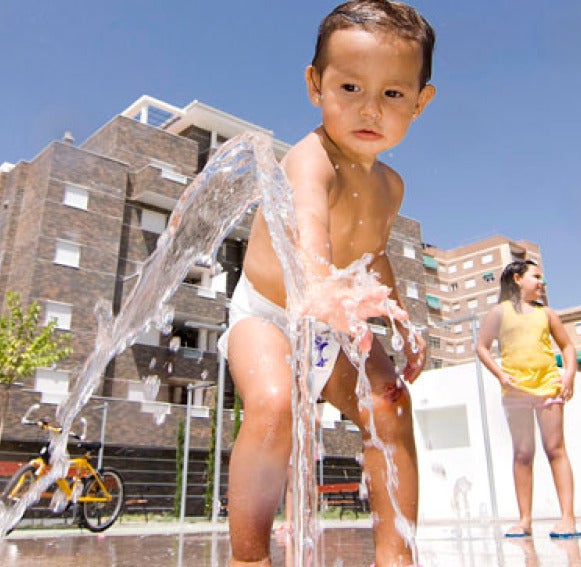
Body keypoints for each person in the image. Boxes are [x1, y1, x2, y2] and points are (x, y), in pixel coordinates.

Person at [218, 2, 436, 565]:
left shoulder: (392, 186)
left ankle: (397, 554)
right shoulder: (309, 160)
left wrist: (401, 318)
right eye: (349, 86)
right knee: (272, 403)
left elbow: (375, 256)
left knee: (390, 403)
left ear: (420, 102)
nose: (370, 108)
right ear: (315, 85)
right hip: (266, 315)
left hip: (331, 324)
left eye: (392, 94)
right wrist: (320, 286)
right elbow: (310, 224)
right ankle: (249, 556)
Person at [475, 260, 581, 539]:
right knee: (523, 454)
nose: (541, 283)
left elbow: (567, 346)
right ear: (517, 279)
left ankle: (568, 518)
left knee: (555, 448)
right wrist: (500, 374)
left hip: (549, 387)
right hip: (516, 392)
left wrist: (568, 375)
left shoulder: (547, 314)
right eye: (536, 277)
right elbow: (482, 347)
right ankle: (524, 520)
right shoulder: (499, 312)